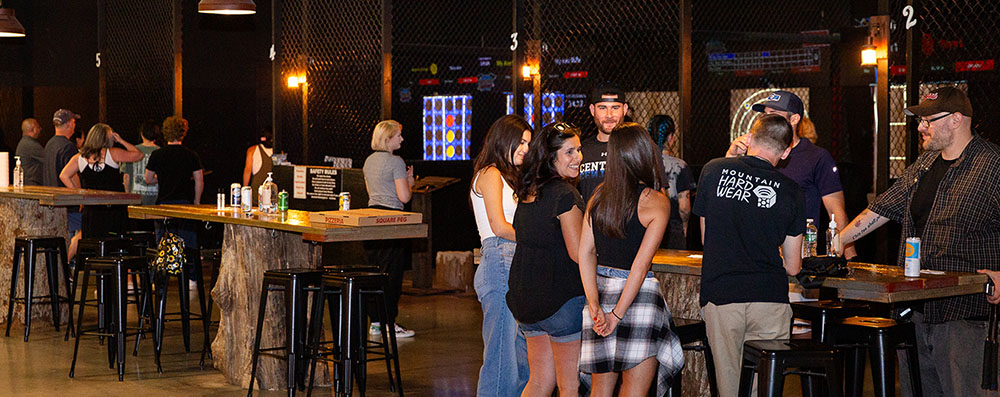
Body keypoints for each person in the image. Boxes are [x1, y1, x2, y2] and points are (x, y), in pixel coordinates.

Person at [837, 87, 1000, 395]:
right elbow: (881, 208)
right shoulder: (924, 165)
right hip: (917, 308)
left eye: (928, 120)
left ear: (956, 119)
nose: (920, 127)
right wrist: (837, 243)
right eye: (919, 120)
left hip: (965, 313)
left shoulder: (991, 164)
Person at [695, 114, 804, 397]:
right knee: (764, 387)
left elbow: (708, 238)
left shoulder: (713, 169)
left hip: (723, 295)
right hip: (769, 297)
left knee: (729, 387)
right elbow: (793, 266)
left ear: (749, 138)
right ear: (787, 150)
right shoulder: (792, 192)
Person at [578, 122, 684, 396]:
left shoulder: (598, 197)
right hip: (638, 299)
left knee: (600, 390)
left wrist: (594, 306)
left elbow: (585, 253)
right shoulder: (656, 201)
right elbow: (639, 266)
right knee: (634, 391)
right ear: (644, 154)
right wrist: (617, 315)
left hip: (601, 294)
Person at [507, 122, 585, 396]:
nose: (578, 158)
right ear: (551, 158)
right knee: (569, 387)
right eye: (570, 152)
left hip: (526, 300)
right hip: (559, 301)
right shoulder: (565, 195)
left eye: (578, 150)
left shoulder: (528, 193)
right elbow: (578, 253)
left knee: (539, 382)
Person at [726, 91, 854, 258]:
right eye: (764, 115)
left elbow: (835, 211)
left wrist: (850, 257)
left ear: (794, 119)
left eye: (774, 114)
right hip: (755, 252)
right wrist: (731, 156)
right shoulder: (753, 153)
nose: (767, 120)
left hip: (797, 255)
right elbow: (727, 197)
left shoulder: (816, 157)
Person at [470, 114, 532, 396]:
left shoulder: (511, 177)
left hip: (515, 263)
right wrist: (537, 238)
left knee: (520, 356)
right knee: (502, 357)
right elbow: (499, 226)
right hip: (499, 259)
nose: (525, 149)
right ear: (504, 139)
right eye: (520, 142)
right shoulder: (490, 173)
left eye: (528, 144)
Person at [362, 120, 416, 339]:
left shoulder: (368, 162)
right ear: (388, 139)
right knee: (391, 274)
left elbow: (371, 193)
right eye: (398, 136)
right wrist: (410, 181)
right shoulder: (396, 162)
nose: (402, 139)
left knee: (374, 271)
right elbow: (403, 197)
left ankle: (375, 322)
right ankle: (389, 322)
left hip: (370, 219)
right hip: (392, 221)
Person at [59, 124, 144, 238]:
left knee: (91, 241)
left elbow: (64, 175)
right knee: (114, 242)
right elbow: (138, 155)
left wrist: (78, 194)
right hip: (113, 209)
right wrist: (121, 140)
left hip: (91, 209)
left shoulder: (79, 157)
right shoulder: (112, 153)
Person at [145, 116, 204, 251]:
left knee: (165, 246)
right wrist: (197, 201)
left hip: (164, 204)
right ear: (183, 133)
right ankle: (188, 271)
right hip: (185, 204)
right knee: (187, 246)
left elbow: (148, 179)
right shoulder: (191, 155)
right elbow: (199, 180)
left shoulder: (157, 154)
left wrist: (162, 178)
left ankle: (165, 271)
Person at [648, 115, 696, 249]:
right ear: (670, 137)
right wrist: (684, 225)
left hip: (647, 226)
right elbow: (684, 207)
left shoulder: (643, 164)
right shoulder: (679, 166)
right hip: (672, 227)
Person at [578, 82, 629, 202]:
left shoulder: (640, 148)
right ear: (592, 110)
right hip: (589, 220)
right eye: (602, 108)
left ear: (625, 109)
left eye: (615, 108)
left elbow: (657, 194)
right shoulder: (580, 151)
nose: (609, 115)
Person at [45, 109, 83, 262]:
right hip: (69, 205)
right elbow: (71, 175)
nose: (74, 126)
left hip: (53, 204)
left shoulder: (49, 145)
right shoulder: (68, 147)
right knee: (85, 230)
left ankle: (63, 269)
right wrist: (80, 198)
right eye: (73, 122)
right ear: (68, 124)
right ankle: (66, 267)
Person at [122, 120, 160, 205]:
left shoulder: (133, 151)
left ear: (142, 134)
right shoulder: (160, 151)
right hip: (156, 198)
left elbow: (126, 176)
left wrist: (128, 195)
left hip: (136, 199)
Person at [242, 127, 274, 205]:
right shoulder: (278, 152)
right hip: (272, 195)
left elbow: (247, 171)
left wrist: (244, 192)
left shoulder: (252, 150)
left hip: (258, 195)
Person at [15, 118, 44, 185]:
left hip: (25, 182)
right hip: (33, 184)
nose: (40, 129)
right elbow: (49, 159)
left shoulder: (23, 143)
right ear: (33, 129)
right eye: (38, 127)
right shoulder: (32, 145)